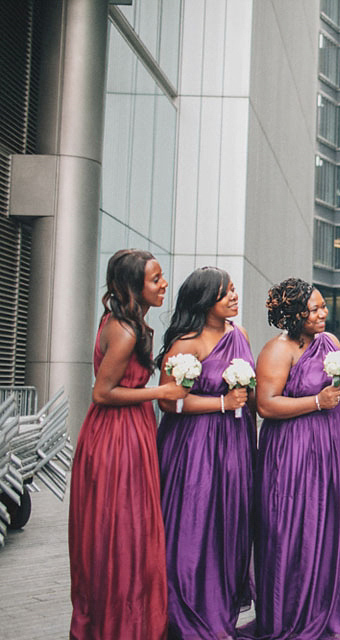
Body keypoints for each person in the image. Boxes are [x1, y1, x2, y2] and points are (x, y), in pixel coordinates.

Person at [69, 249, 188, 639]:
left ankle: (127, 620)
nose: (164, 284)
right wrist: (161, 392)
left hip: (130, 433)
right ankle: (122, 624)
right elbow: (102, 393)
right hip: (116, 439)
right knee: (123, 534)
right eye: (156, 279)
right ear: (132, 287)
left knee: (131, 532)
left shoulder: (129, 323)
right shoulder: (123, 330)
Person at [245, 278, 340, 639]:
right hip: (294, 453)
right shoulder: (277, 351)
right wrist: (314, 403)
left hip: (335, 449)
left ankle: (330, 609)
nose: (323, 313)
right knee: (294, 530)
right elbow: (266, 404)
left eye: (322, 306)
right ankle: (291, 614)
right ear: (293, 314)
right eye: (314, 309)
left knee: (331, 527)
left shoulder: (332, 343)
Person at [155, 267, 256, 638]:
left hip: (235, 444)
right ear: (204, 300)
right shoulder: (186, 343)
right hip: (194, 446)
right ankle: (186, 610)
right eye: (224, 292)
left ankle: (222, 610)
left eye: (232, 289)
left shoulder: (239, 334)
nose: (233, 296)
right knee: (194, 526)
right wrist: (222, 403)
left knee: (230, 525)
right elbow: (168, 404)